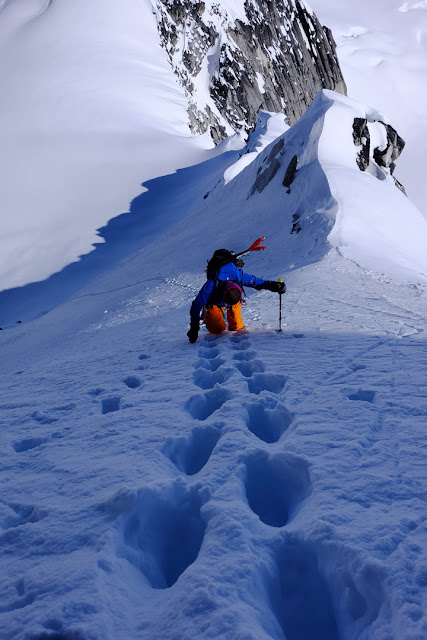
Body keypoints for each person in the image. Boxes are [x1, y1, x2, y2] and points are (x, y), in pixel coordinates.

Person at [187, 248, 286, 343]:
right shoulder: (214, 281)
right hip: (215, 302)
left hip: (233, 300)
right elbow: (197, 303)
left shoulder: (238, 275)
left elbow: (257, 282)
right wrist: (194, 328)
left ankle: (232, 309)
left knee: (237, 327)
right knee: (216, 330)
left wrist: (274, 286)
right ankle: (211, 315)